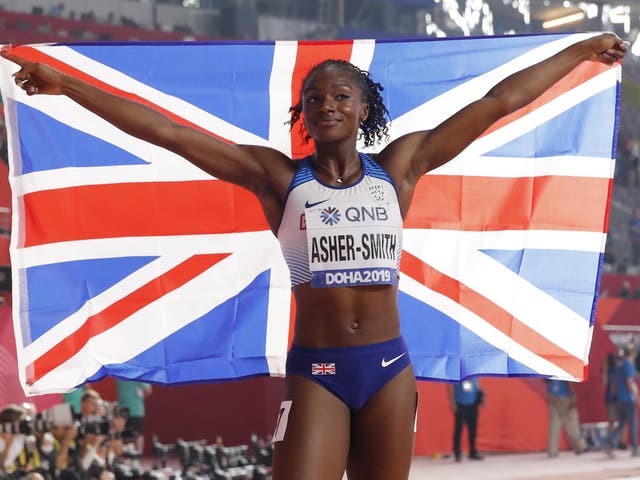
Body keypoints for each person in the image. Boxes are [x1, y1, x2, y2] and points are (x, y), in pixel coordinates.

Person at [0, 33, 627, 480]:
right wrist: (67, 86)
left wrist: (575, 54)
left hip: (389, 370)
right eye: (316, 97)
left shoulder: (400, 169)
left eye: (340, 97)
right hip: (318, 372)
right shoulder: (278, 178)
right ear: (303, 113)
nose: (327, 104)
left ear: (361, 109)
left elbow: (495, 105)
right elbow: (167, 132)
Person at [605, 343, 639, 458]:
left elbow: (614, 383)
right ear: (633, 353)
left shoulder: (619, 366)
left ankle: (609, 442)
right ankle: (635, 448)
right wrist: (636, 397)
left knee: (622, 423)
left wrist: (615, 396)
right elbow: (630, 382)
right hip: (628, 399)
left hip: (620, 399)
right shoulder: (629, 365)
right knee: (633, 423)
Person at [545, 379, 587, 457]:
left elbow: (544, 380)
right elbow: (569, 381)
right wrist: (573, 396)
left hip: (552, 395)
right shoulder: (564, 368)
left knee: (554, 425)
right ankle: (580, 446)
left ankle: (552, 450)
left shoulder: (548, 367)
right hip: (564, 396)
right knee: (571, 424)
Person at [447, 378, 484, 462]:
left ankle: (472, 452)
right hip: (460, 405)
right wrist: (452, 402)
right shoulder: (457, 374)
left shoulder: (474, 374)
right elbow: (450, 387)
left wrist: (482, 398)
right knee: (458, 430)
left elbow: (477, 386)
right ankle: (457, 453)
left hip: (473, 405)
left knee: (473, 430)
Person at [115, 380, 151, 453]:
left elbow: (148, 390)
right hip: (122, 408)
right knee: (119, 433)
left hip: (135, 409)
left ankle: (137, 457)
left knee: (137, 434)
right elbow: (148, 391)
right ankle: (121, 455)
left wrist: (139, 398)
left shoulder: (140, 373)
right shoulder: (118, 373)